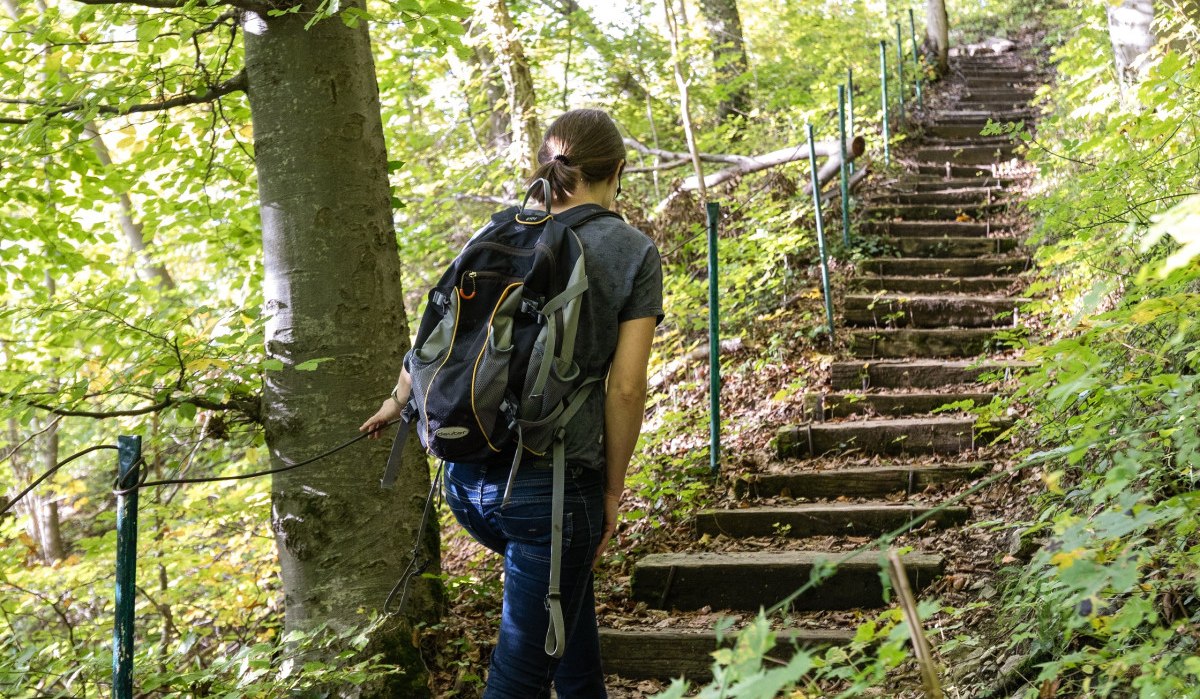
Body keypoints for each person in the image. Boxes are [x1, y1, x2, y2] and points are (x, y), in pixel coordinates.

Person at [360, 108, 664, 698]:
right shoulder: (630, 250)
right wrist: (610, 492)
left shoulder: (498, 231)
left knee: (570, 629)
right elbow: (625, 388)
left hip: (465, 476)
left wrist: (398, 401)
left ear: (550, 167)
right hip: (548, 492)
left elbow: (442, 331)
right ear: (618, 169)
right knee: (520, 677)